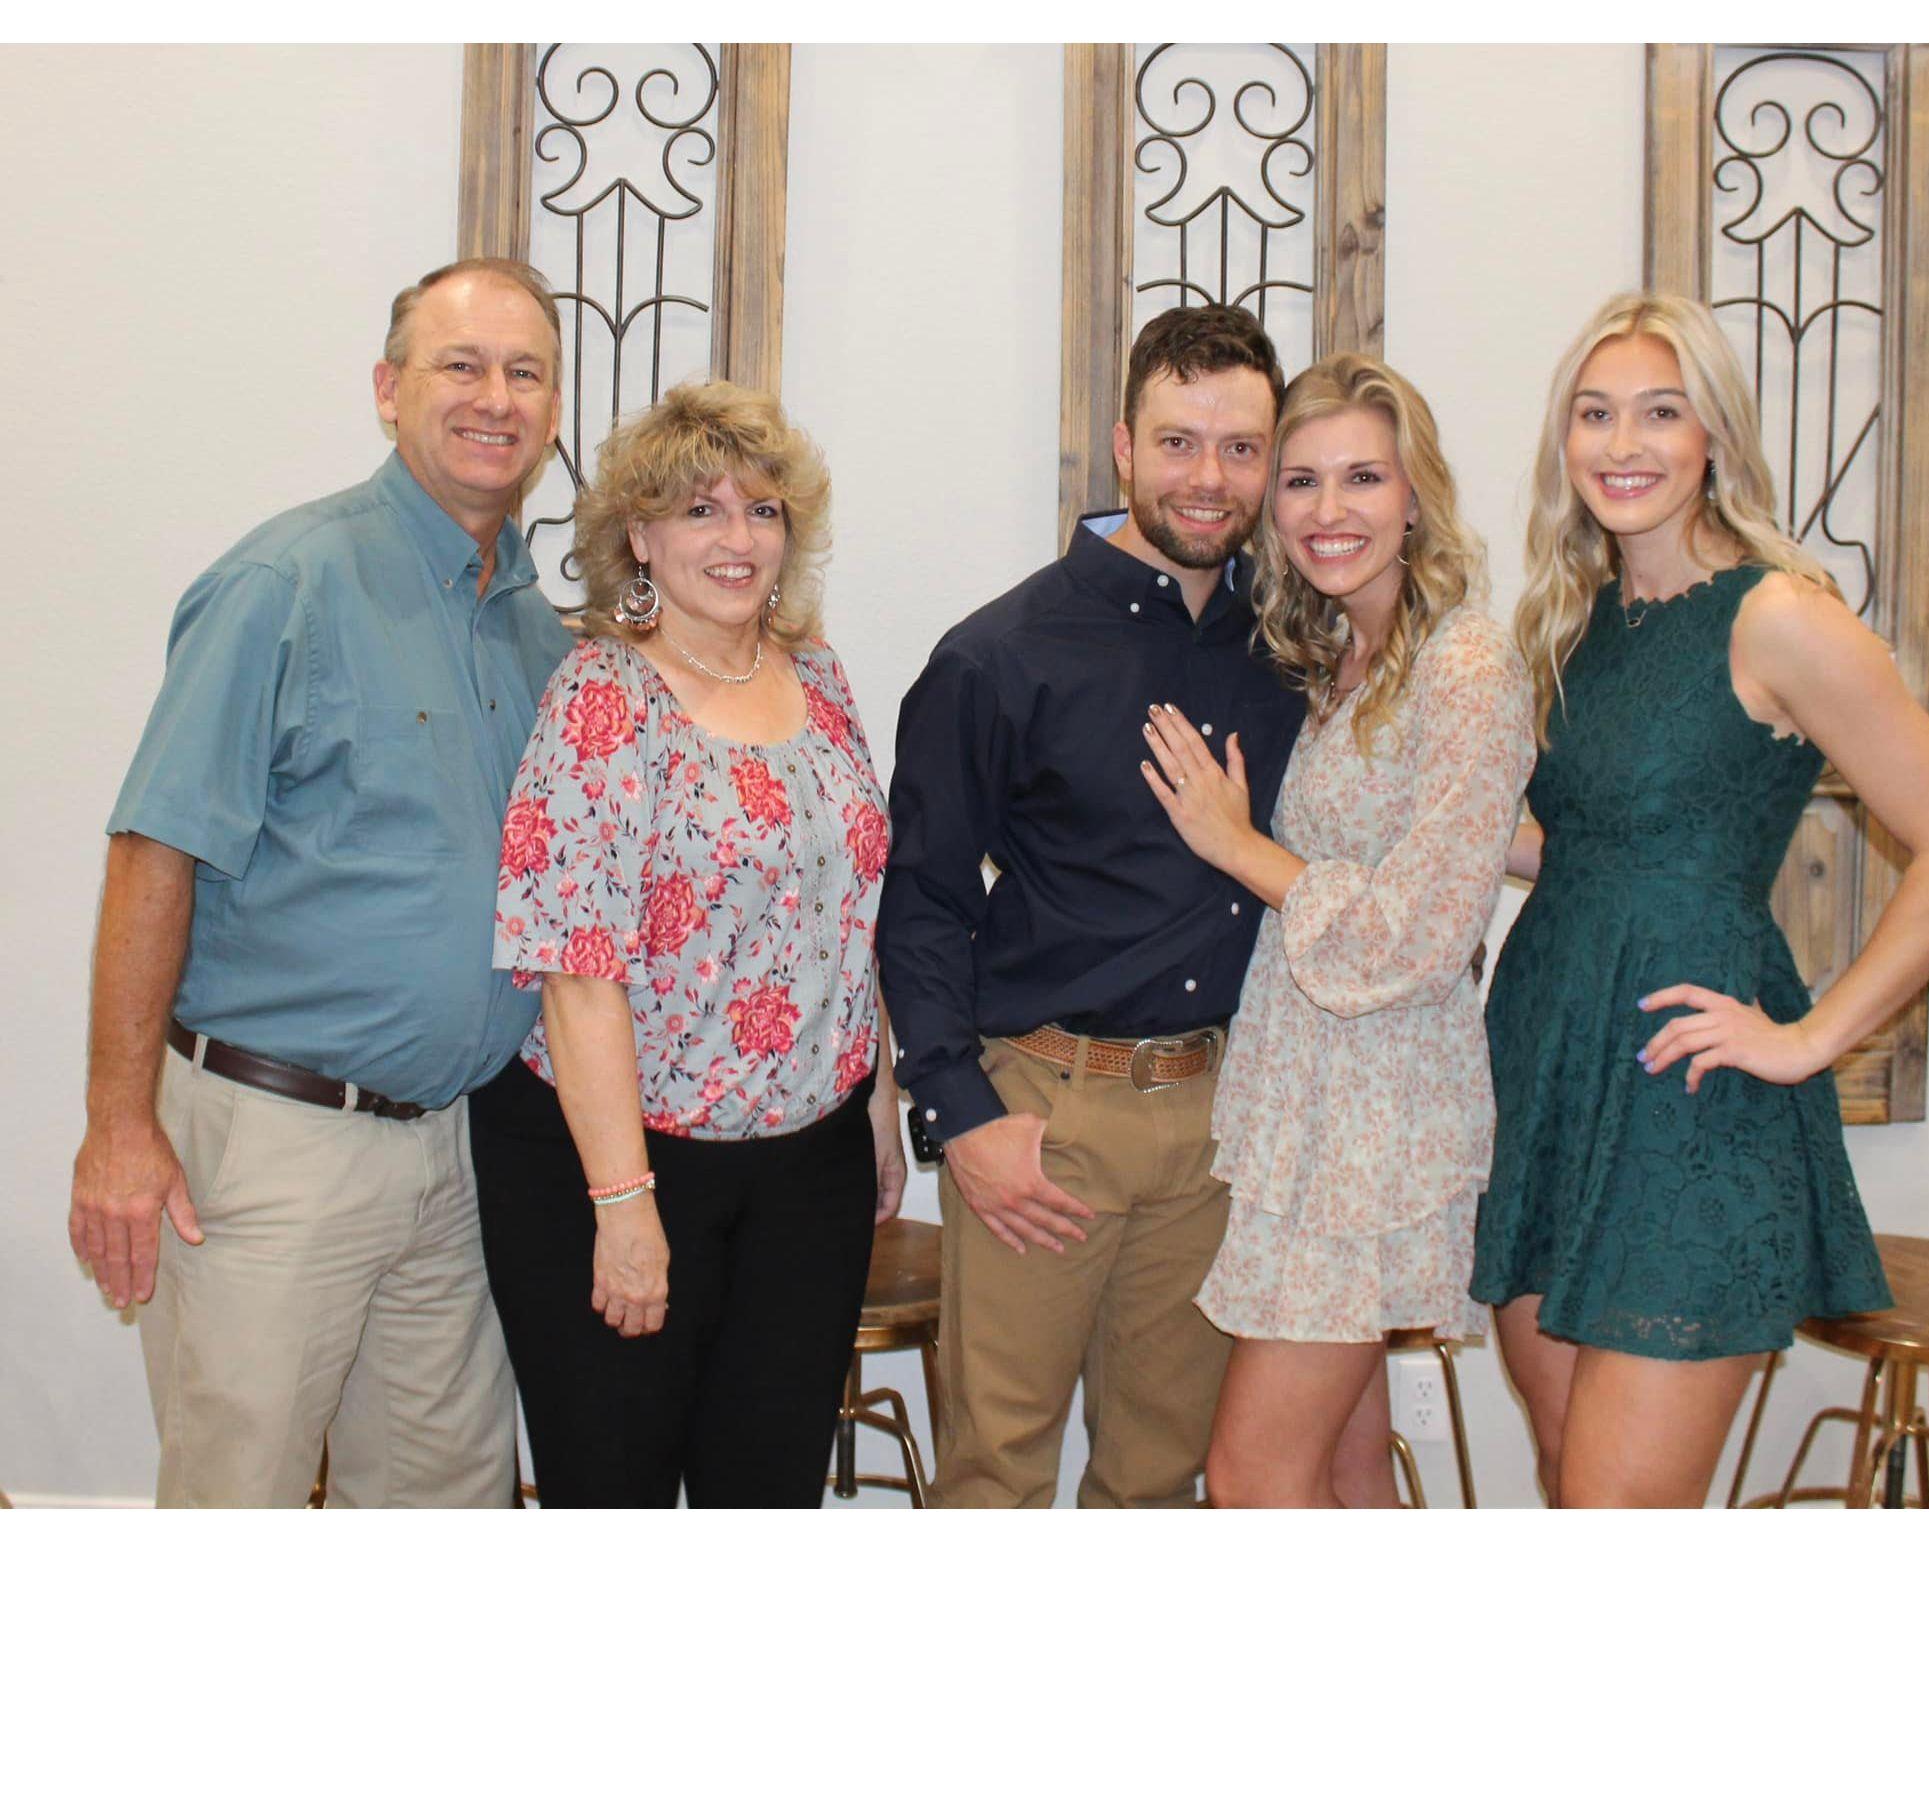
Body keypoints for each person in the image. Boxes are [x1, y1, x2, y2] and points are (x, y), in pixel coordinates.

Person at [1472, 291, 1929, 1507]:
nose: (1621, 444)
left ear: (1712, 436)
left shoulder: (1778, 616)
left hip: (1687, 1097)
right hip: (1548, 1072)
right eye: (1593, 414)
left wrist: (1810, 1035)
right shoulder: (1570, 619)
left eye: (1658, 413)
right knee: (1567, 1485)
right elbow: (1585, 848)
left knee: (1619, 1517)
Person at [68, 257, 574, 1507]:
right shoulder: (282, 584)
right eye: (461, 364)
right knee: (238, 1496)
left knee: (443, 1500)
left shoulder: (534, 626)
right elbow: (151, 855)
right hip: (275, 1147)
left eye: (525, 371)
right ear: (389, 388)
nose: (494, 398)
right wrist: (120, 1130)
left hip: (454, 1153)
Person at [878, 304, 1306, 1508]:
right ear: (1121, 445)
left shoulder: (1289, 652)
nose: (1209, 476)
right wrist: (962, 1114)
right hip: (1044, 1117)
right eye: (1179, 441)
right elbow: (920, 897)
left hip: (1220, 1121)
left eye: (1238, 446)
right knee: (995, 1470)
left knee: (1158, 1477)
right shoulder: (997, 654)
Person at [472, 380, 903, 1509]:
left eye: (762, 512)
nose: (736, 538)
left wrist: (875, 1105)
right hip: (623, 1157)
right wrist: (623, 1206)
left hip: (809, 1162)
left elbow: (848, 913)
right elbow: (575, 971)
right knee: (612, 1487)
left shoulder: (816, 673)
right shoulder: (600, 698)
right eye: (701, 510)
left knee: (764, 1491)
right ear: (639, 536)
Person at [1139, 354, 1531, 1507]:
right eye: (1300, 480)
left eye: (1361, 476)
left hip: (1376, 1121)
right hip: (1307, 1105)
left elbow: (1415, 934)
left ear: (1415, 493)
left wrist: (1235, 841)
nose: (1326, 510)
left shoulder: (1463, 659)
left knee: (1252, 1471)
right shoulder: (1340, 656)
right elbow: (1441, 834)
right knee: (1346, 1465)